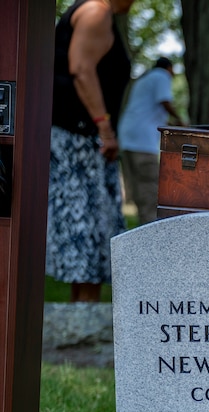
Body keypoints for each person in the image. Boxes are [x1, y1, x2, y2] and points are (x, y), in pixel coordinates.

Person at [48, 0, 134, 303]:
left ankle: (81, 318)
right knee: (86, 234)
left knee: (91, 236)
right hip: (79, 140)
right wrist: (105, 128)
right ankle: (82, 327)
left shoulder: (97, 12)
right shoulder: (96, 12)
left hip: (82, 138)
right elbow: (81, 69)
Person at [118, 57, 183, 225]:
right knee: (150, 185)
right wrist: (181, 121)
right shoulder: (161, 76)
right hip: (143, 141)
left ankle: (142, 224)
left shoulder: (144, 80)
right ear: (168, 68)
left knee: (138, 187)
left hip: (127, 136)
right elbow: (164, 102)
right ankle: (151, 228)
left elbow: (152, 114)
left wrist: (171, 124)